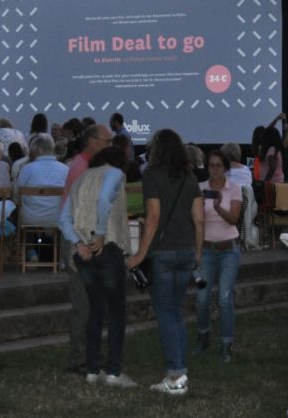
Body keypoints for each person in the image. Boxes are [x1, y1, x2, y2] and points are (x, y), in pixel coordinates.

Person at [126, 128, 204, 396]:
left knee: (166, 314)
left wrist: (140, 255)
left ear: (156, 149)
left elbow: (154, 217)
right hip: (186, 251)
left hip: (162, 252)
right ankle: (180, 371)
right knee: (178, 311)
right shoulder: (189, 177)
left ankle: (175, 375)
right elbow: (199, 219)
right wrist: (198, 251)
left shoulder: (152, 175)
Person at [59, 145, 136, 387]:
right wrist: (101, 233)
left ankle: (92, 369)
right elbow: (104, 199)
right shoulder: (114, 174)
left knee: (95, 309)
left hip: (82, 250)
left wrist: (78, 242)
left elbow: (63, 218)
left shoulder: (80, 178)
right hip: (107, 247)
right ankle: (113, 371)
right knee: (116, 311)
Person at [61, 123, 113, 374]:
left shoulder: (86, 167)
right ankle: (79, 359)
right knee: (84, 304)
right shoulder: (81, 169)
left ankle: (88, 355)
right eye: (106, 141)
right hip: (79, 241)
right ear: (92, 141)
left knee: (93, 303)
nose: (110, 146)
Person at [195, 149, 242, 362]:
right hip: (206, 249)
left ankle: (226, 344)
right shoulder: (200, 188)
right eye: (211, 165)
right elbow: (195, 220)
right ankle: (203, 336)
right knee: (202, 297)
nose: (214, 169)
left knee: (224, 298)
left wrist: (217, 207)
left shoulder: (234, 189)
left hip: (228, 249)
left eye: (218, 165)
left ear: (225, 168)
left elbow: (233, 219)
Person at [15, 133, 68, 228]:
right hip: (57, 218)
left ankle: (23, 241)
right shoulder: (65, 169)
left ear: (37, 150)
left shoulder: (27, 169)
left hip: (30, 218)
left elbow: (16, 193)